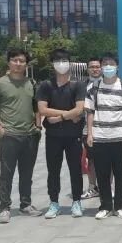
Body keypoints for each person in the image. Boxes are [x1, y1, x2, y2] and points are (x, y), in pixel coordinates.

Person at [0, 48, 42, 224]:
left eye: (22, 61)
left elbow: (36, 107)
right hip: (9, 136)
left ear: (26, 64)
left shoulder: (31, 83)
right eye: (15, 60)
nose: (18, 64)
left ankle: (26, 204)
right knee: (7, 173)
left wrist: (38, 126)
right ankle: (4, 208)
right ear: (9, 62)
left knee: (27, 173)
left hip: (30, 135)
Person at [35, 48, 86, 219]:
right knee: (53, 170)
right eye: (58, 61)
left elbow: (79, 109)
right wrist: (68, 115)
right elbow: (42, 109)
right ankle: (54, 203)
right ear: (52, 64)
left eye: (65, 61)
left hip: (73, 135)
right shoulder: (45, 85)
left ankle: (77, 201)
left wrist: (58, 117)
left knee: (75, 169)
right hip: (53, 136)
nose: (62, 64)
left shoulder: (78, 84)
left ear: (70, 63)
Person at [85, 53, 122, 220]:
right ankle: (105, 206)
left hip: (119, 136)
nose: (108, 67)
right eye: (105, 64)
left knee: (120, 173)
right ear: (100, 67)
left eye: (111, 63)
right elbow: (90, 111)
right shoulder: (93, 87)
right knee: (102, 173)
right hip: (99, 137)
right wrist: (90, 133)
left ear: (117, 66)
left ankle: (120, 206)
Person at [81, 58, 102, 200]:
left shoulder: (109, 84)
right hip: (87, 130)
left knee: (107, 160)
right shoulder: (81, 86)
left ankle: (107, 187)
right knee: (91, 160)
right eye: (92, 67)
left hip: (106, 129)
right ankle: (92, 187)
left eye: (97, 66)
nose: (95, 69)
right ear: (87, 69)